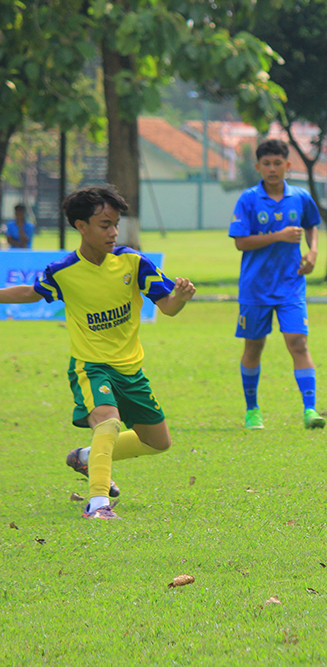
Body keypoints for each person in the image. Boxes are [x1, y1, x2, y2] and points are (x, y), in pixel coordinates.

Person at [0, 186, 196, 520]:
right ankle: (98, 505)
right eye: (105, 224)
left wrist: (180, 296)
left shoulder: (133, 263)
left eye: (116, 224)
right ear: (81, 226)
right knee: (108, 420)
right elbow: (31, 293)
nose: (113, 231)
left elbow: (168, 308)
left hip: (131, 370)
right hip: (91, 367)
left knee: (159, 441)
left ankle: (88, 456)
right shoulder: (63, 271)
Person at [229, 138, 326, 430]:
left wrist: (312, 251)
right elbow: (241, 242)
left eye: (277, 163)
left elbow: (311, 224)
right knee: (254, 346)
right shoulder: (248, 199)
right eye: (266, 164)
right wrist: (278, 236)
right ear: (258, 167)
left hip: (290, 285)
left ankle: (310, 410)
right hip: (255, 288)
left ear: (288, 165)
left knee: (298, 342)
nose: (272, 169)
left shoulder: (300, 196)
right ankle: (252, 410)